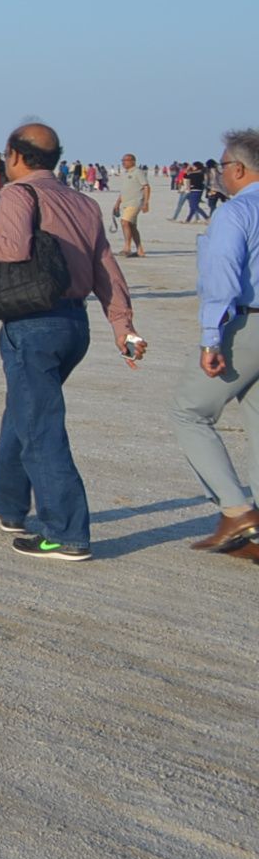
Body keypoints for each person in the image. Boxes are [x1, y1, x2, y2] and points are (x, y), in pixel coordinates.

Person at [0, 121, 139, 561]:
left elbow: (11, 248)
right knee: (25, 411)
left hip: (34, 324)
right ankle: (7, 504)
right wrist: (123, 326)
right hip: (74, 325)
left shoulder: (19, 193)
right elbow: (105, 268)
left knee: (41, 426)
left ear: (14, 155)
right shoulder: (82, 201)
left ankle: (65, 531)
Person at [166, 130, 259, 554]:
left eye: (222, 166)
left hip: (247, 325)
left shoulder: (236, 211)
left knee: (189, 412)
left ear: (238, 169)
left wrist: (210, 340)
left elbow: (222, 276)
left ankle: (237, 511)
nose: (220, 173)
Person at [110, 153, 152, 258]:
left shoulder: (138, 172)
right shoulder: (125, 173)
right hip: (125, 203)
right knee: (132, 226)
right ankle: (140, 250)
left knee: (124, 222)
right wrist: (117, 203)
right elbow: (124, 190)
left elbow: (146, 187)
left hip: (135, 202)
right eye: (123, 160)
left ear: (133, 161)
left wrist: (146, 202)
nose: (124, 162)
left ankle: (127, 248)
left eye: (126, 160)